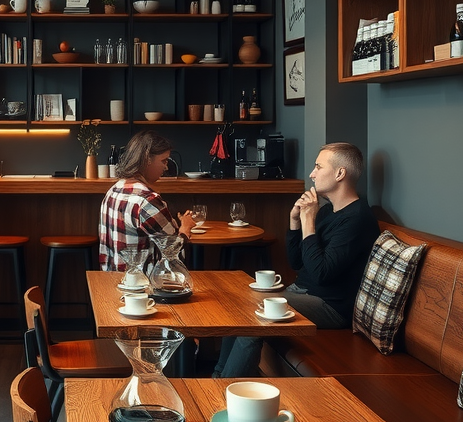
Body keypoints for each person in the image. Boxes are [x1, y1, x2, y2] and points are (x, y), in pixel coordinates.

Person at [214, 141, 380, 377]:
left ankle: (225, 385)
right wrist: (295, 221)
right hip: (301, 292)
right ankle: (219, 377)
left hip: (329, 306)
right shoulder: (327, 211)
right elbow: (297, 263)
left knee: (256, 309)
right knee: (242, 301)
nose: (312, 174)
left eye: (318, 167)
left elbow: (322, 274)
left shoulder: (357, 219)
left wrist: (308, 222)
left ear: (340, 173)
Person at [98, 130, 196, 272]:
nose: (166, 167)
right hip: (142, 282)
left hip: (110, 279)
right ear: (147, 159)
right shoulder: (147, 200)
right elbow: (173, 253)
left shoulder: (113, 190)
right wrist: (185, 227)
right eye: (163, 160)